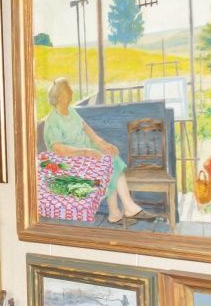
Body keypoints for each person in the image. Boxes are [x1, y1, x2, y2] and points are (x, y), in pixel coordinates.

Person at [42, 77, 156, 225]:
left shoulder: (71, 111)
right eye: (67, 89)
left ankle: (118, 212)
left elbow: (87, 130)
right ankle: (124, 209)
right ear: (59, 96)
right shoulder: (53, 120)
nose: (71, 91)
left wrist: (104, 144)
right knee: (109, 164)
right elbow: (59, 149)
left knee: (111, 156)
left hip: (88, 153)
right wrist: (86, 152)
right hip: (72, 161)